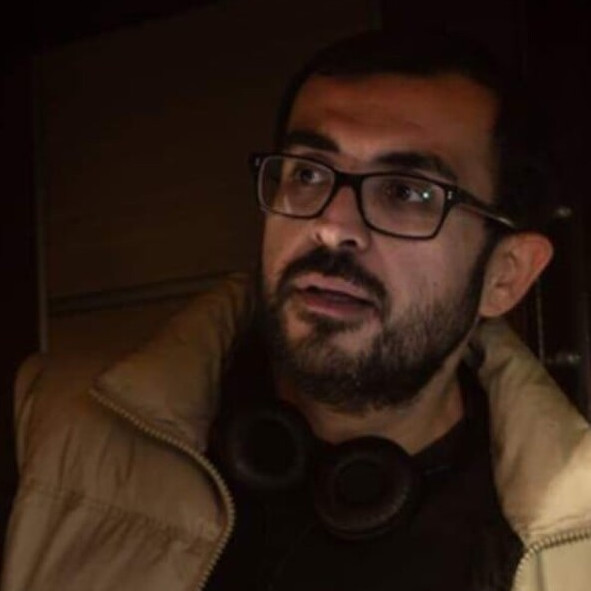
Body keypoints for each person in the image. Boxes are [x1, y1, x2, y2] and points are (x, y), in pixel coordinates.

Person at [2, 30, 591, 591]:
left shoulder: (569, 543)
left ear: (505, 275)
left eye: (406, 192)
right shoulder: (46, 427)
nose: (331, 227)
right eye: (307, 173)